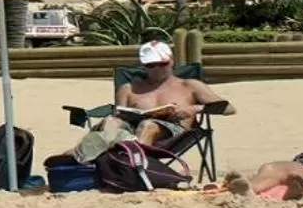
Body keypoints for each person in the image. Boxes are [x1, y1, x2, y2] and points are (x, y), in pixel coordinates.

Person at [73, 39, 227, 159]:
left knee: (148, 125)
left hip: (175, 135)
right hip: (128, 136)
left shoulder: (190, 85)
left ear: (172, 60)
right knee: (111, 122)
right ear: (143, 65)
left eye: (162, 63)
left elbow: (228, 108)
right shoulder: (128, 88)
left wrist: (194, 108)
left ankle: (135, 167)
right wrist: (116, 117)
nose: (157, 69)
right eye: (151, 65)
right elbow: (118, 115)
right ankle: (82, 161)